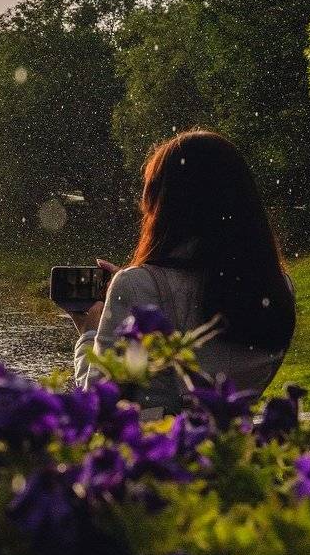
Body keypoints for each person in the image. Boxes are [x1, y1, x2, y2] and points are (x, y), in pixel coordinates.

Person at [71, 130, 296, 413]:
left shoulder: (135, 286)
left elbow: (97, 402)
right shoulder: (277, 288)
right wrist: (137, 287)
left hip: (161, 439)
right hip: (233, 439)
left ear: (163, 205)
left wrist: (90, 332)